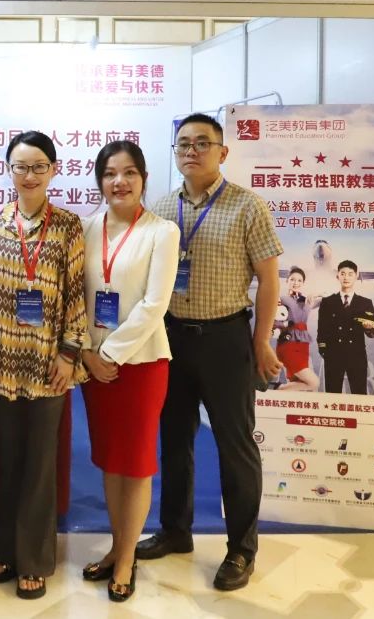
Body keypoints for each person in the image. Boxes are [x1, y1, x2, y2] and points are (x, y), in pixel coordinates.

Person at [136, 113, 283, 592]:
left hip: (226, 339)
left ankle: (241, 548)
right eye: (183, 144)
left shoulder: (247, 206)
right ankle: (175, 531)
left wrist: (261, 341)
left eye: (202, 143)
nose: (192, 151)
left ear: (223, 152)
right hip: (172, 338)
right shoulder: (161, 207)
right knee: (174, 439)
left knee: (235, 446)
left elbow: (269, 281)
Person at [0, 132, 87, 601]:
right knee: (8, 461)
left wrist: (69, 353)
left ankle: (36, 559)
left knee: (40, 465)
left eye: (39, 166)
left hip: (48, 364)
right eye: (21, 166)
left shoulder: (67, 225)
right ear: (8, 169)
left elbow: (76, 292)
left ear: (53, 170)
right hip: (3, 363)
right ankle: (6, 549)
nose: (29, 175)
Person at [78, 140, 179, 603]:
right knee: (109, 459)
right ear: (100, 180)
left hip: (139, 364)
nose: (119, 182)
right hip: (93, 365)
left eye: (129, 173)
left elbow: (155, 304)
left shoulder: (162, 232)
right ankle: (118, 547)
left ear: (143, 179)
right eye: (110, 173)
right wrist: (87, 353)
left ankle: (125, 559)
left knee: (135, 464)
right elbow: (74, 295)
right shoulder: (86, 227)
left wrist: (110, 354)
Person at [315, 260, 374, 395]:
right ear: (337, 276)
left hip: (357, 356)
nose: (346, 277)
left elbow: (373, 333)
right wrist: (324, 351)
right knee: (332, 396)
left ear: (356, 276)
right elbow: (321, 329)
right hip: (333, 356)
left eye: (350, 274)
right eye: (343, 273)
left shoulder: (365, 303)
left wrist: (368, 328)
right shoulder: (327, 302)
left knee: (359, 395)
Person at [277, 266, 321, 391]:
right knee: (313, 383)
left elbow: (325, 300)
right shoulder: (281, 300)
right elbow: (274, 321)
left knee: (297, 385)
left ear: (303, 283)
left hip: (302, 346)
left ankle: (280, 391)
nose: (296, 283)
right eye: (292, 279)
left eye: (299, 280)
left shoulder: (306, 300)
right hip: (288, 344)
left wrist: (315, 295)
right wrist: (285, 325)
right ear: (287, 281)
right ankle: (277, 388)